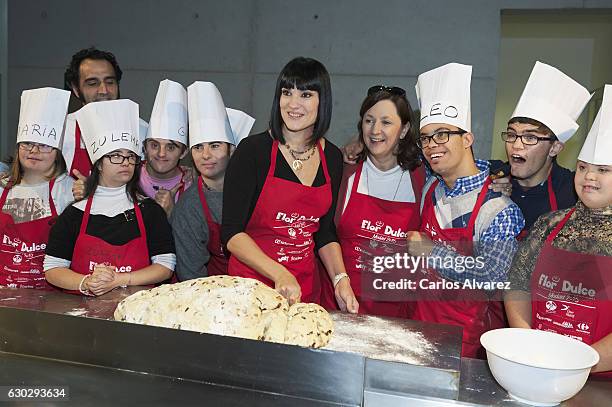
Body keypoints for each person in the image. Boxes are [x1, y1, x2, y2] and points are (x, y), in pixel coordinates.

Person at [406, 63, 524, 358]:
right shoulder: (431, 188)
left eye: (443, 134)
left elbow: (492, 277)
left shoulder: (499, 208)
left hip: (463, 346)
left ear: (468, 138)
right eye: (426, 138)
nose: (432, 145)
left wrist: (432, 251)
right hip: (418, 329)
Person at [221, 57, 358, 311]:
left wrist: (341, 279)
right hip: (251, 289)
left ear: (322, 101)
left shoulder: (332, 157)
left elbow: (324, 231)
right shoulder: (253, 152)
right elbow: (231, 233)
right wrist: (279, 273)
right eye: (287, 92)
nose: (293, 104)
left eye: (305, 94)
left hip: (304, 291)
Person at [505, 84, 612, 376]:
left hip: (599, 381)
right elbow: (517, 285)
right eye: (582, 167)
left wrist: (576, 366)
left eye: (603, 169)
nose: (589, 176)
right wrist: (527, 344)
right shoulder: (550, 223)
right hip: (536, 367)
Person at [44, 99, 174, 296]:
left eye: (131, 156)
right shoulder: (74, 213)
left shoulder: (150, 211)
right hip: (82, 317)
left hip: (136, 313)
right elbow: (53, 268)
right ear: (98, 163)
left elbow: (165, 265)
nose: (125, 163)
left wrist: (120, 279)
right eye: (115, 155)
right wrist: (86, 282)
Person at [319, 86, 425, 316]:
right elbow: (323, 232)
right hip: (340, 308)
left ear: (404, 129)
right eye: (369, 120)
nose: (375, 130)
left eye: (386, 122)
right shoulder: (344, 171)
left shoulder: (422, 179)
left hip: (397, 317)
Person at [490, 61, 592, 236]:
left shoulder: (573, 191)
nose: (516, 144)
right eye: (512, 134)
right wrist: (490, 193)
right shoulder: (493, 175)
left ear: (555, 148)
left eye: (530, 137)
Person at [171, 81, 254, 280]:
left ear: (231, 150)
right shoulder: (189, 207)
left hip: (261, 280)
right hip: (215, 291)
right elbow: (191, 275)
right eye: (198, 147)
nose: (205, 155)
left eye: (215, 146)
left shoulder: (256, 190)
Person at [0, 88, 74, 289]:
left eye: (44, 145)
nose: (34, 151)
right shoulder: (2, 187)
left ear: (58, 152)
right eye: (27, 143)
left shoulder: (68, 190)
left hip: (50, 297)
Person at [62, 47, 148, 181]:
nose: (104, 90)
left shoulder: (142, 130)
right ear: (76, 89)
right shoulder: (63, 131)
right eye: (92, 83)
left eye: (110, 82)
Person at [139, 79, 193, 216]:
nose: (161, 153)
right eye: (154, 145)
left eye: (170, 147)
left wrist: (171, 213)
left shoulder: (192, 186)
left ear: (183, 152)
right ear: (144, 147)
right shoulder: (129, 176)